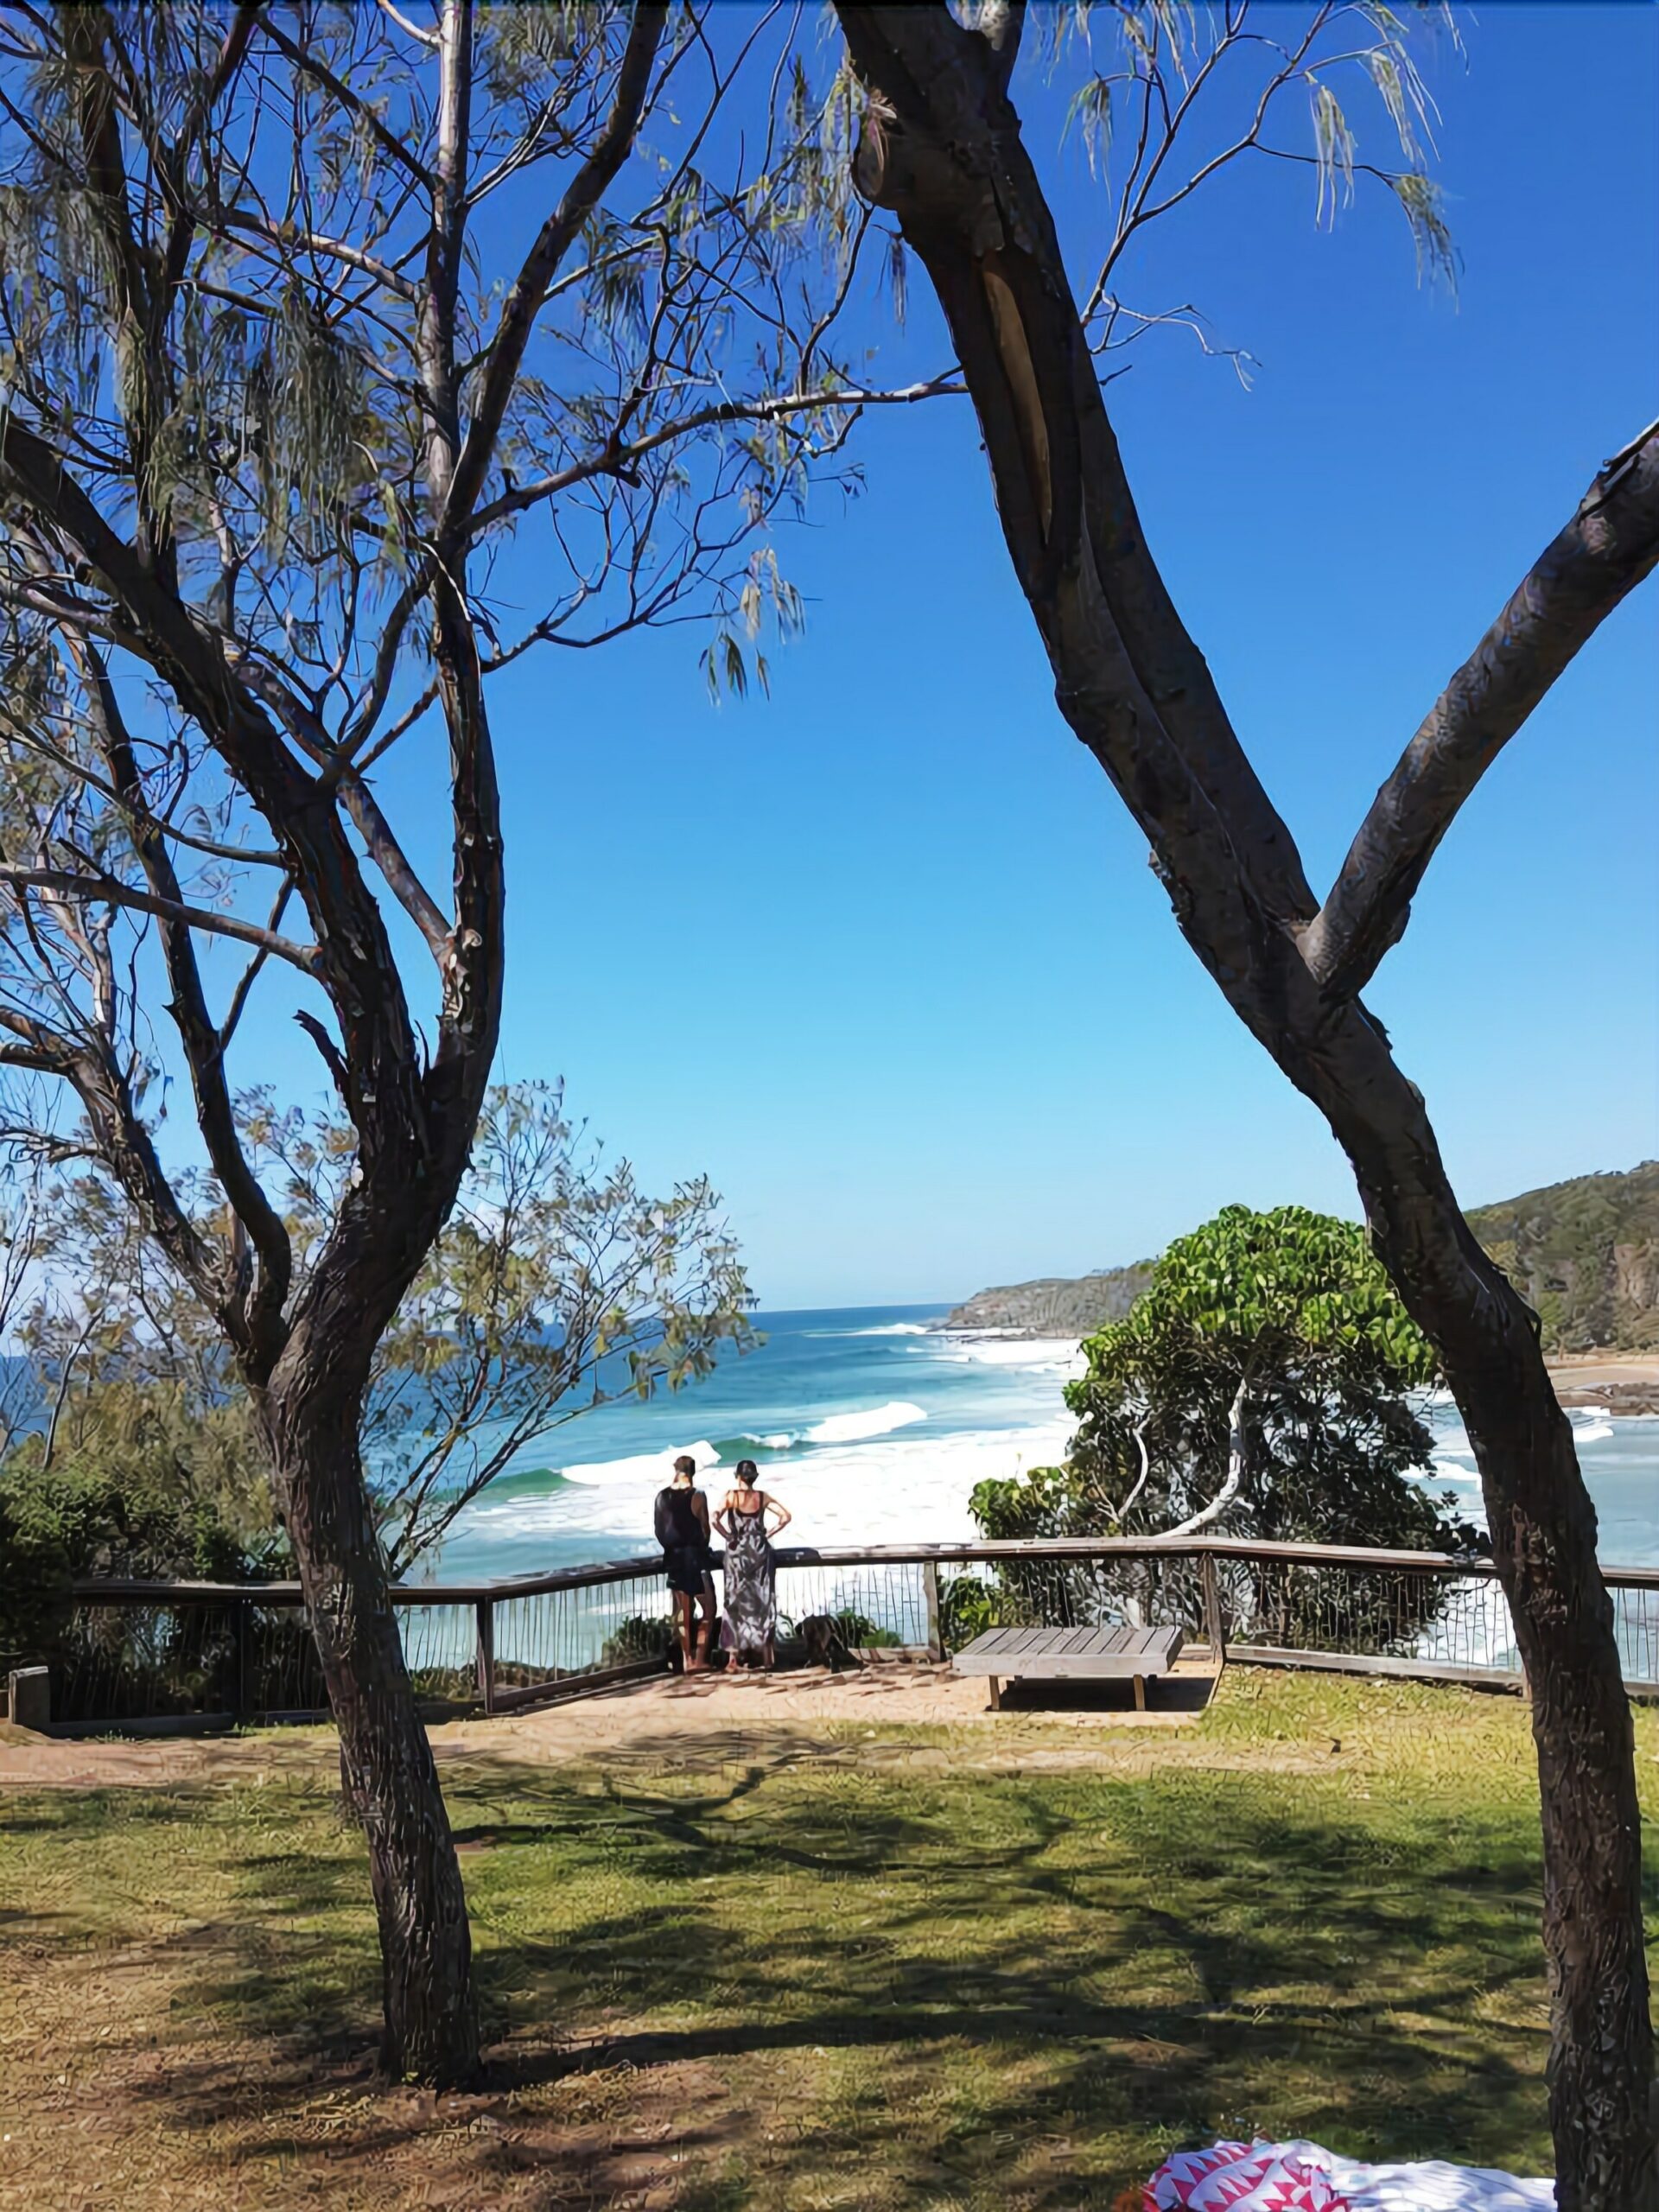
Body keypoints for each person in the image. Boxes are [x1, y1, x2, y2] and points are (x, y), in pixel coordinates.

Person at [713, 1458, 791, 1670]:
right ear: (754, 1478)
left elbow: (714, 1519)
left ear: (738, 1477)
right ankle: (767, 1657)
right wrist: (767, 1534)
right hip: (759, 1552)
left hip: (737, 1553)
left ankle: (732, 1659)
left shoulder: (730, 1497)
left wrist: (728, 1535)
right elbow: (785, 1517)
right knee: (763, 1602)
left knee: (734, 1602)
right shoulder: (762, 1497)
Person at [653, 1454, 716, 1672]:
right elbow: (705, 1530)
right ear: (693, 1472)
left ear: (676, 1470)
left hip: (672, 1558)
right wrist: (701, 1547)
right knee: (709, 1608)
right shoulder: (697, 1495)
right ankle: (699, 1659)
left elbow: (659, 1530)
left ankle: (686, 1658)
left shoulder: (661, 1497)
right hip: (694, 1559)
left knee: (682, 1612)